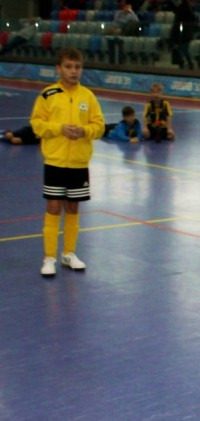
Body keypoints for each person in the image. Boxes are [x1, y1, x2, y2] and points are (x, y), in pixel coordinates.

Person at [29, 48, 105, 277]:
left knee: (73, 208)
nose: (73, 71)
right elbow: (37, 124)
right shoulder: (48, 95)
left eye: (77, 67)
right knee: (53, 207)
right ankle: (49, 257)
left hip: (79, 163)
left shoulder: (88, 96)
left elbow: (99, 126)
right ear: (58, 69)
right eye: (69, 67)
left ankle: (69, 253)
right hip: (55, 161)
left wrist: (84, 131)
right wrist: (59, 128)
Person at [170, 0, 196, 70]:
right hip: (182, 32)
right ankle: (185, 63)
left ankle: (187, 63)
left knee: (183, 48)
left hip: (184, 32)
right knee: (182, 48)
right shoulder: (184, 9)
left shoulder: (183, 9)